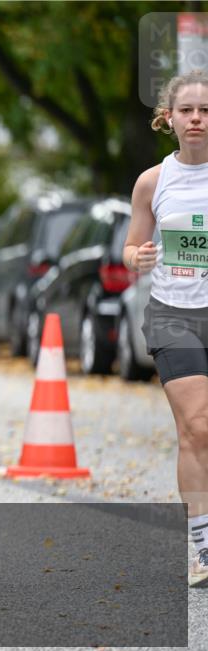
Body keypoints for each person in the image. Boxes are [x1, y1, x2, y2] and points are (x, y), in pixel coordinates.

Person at [123, 69, 208, 588]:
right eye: (188, 111)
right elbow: (131, 247)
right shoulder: (153, 182)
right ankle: (204, 546)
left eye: (206, 111)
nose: (197, 119)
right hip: (174, 314)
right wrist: (139, 256)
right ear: (168, 119)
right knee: (197, 426)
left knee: (198, 431)